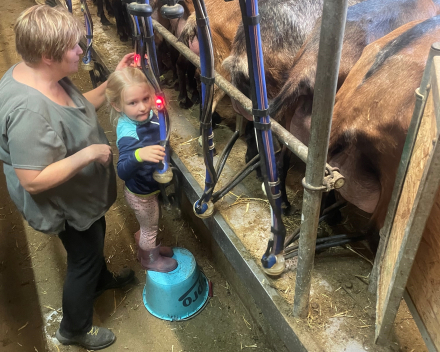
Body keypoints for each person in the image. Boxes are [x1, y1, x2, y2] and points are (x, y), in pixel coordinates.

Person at [0, 5, 136, 350]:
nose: (81, 51)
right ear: (48, 55)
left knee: (94, 240)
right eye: (74, 46)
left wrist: (112, 83)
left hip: (77, 195)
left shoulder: (35, 74)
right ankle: (74, 328)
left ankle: (100, 279)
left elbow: (77, 108)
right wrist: (89, 153)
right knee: (83, 256)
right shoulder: (29, 113)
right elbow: (32, 178)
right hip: (64, 202)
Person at [105, 67, 178, 273]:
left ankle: (146, 245)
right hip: (141, 193)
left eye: (146, 98)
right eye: (133, 103)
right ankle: (149, 259)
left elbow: (155, 115)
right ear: (117, 105)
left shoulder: (145, 115)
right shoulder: (129, 133)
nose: (143, 107)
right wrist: (140, 155)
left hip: (149, 187)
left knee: (150, 224)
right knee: (151, 227)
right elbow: (122, 170)